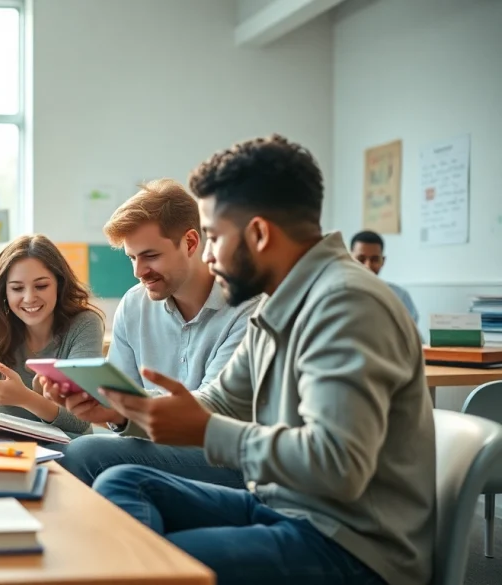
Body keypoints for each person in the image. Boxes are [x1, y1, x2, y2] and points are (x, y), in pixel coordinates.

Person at [93, 135, 433, 585]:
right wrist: (130, 411)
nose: (208, 256)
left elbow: (338, 465)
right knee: (120, 483)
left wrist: (208, 431)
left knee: (152, 561)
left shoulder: (346, 303)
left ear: (258, 233)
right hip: (283, 508)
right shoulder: (279, 303)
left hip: (352, 545)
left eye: (213, 238)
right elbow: (219, 401)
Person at [42, 179, 258, 486]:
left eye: (150, 256)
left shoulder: (247, 309)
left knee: (85, 453)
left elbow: (213, 414)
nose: (138, 271)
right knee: (89, 465)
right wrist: (102, 405)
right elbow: (120, 398)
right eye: (132, 257)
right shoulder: (134, 304)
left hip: (226, 457)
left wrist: (122, 409)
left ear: (191, 243)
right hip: (162, 450)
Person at [0, 234, 105, 434]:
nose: (29, 298)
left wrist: (25, 398)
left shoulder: (84, 324)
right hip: (4, 448)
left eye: (41, 286)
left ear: (59, 284)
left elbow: (81, 419)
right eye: (17, 288)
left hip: (69, 454)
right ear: (4, 292)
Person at [350, 230, 419, 324]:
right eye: (361, 259)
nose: (368, 266)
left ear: (382, 261)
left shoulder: (399, 296)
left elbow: (409, 334)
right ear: (349, 259)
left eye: (374, 259)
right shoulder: (337, 295)